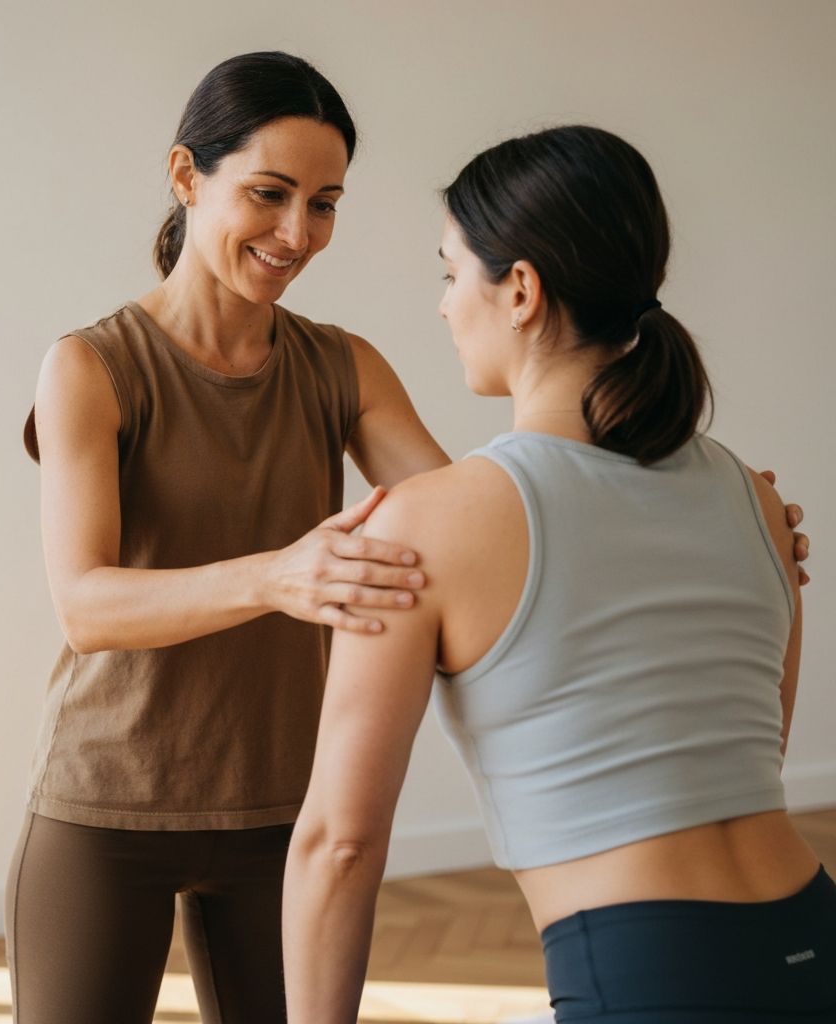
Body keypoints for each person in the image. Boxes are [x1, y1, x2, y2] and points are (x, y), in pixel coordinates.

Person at [282, 125, 832, 1024]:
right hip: (814, 943)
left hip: (652, 977)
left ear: (523, 290)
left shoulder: (426, 522)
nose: (443, 305)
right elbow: (743, 755)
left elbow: (339, 845)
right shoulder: (752, 496)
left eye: (451, 273)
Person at [3, 51, 448, 1024]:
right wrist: (279, 577)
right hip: (104, 805)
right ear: (184, 175)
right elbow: (86, 605)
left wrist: (678, 488)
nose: (297, 234)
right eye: (270, 193)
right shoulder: (90, 366)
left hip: (286, 811)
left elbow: (466, 517)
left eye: (323, 203)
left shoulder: (341, 366)